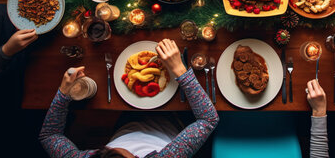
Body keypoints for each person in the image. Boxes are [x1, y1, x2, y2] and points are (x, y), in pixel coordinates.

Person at [39, 39, 219, 157]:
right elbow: (208, 119)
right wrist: (180, 69)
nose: (113, 147)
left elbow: (49, 135)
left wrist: (63, 92)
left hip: (126, 122)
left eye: (106, 149)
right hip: (176, 123)